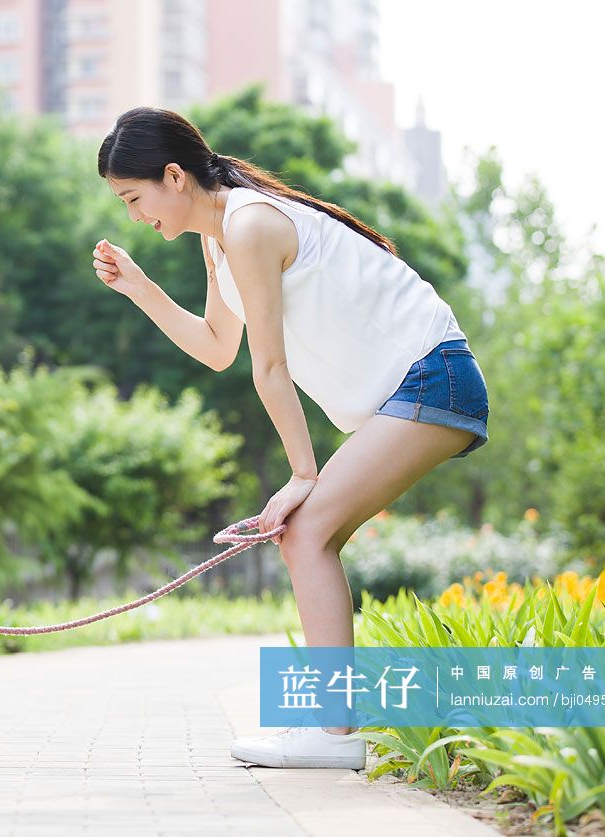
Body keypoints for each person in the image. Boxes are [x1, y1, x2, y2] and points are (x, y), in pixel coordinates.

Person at [93, 107, 489, 770]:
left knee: (304, 530)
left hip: (432, 375)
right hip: (417, 384)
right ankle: (334, 730)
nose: (133, 215)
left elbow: (268, 367)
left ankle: (334, 735)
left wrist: (302, 473)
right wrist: (140, 288)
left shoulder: (248, 225)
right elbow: (219, 347)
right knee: (306, 535)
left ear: (173, 175)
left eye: (134, 198)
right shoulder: (219, 237)